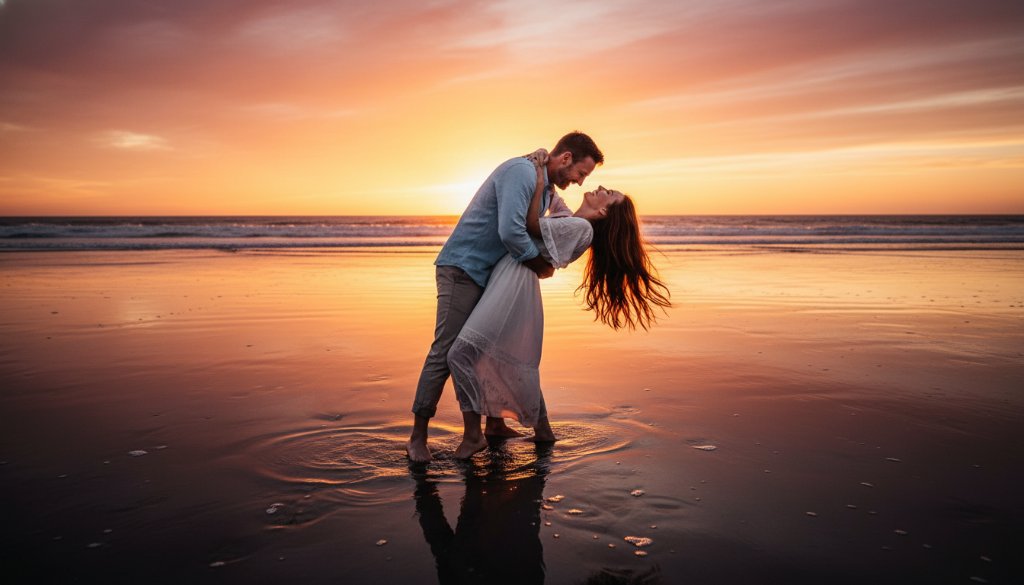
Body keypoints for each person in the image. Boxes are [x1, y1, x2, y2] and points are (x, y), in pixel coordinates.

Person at [447, 151, 671, 458]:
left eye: (608, 194)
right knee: (498, 355)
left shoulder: (581, 229)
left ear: (605, 212)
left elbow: (530, 225)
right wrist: (544, 166)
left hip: (514, 284)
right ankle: (538, 430)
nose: (600, 188)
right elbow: (553, 199)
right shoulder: (573, 221)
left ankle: (474, 436)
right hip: (512, 279)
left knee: (461, 353)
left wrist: (538, 178)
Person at [407, 132, 605, 464]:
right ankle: (417, 437)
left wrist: (593, 224)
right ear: (567, 158)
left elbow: (564, 223)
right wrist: (540, 265)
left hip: (492, 275)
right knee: (445, 352)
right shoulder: (522, 173)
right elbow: (511, 231)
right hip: (464, 268)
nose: (579, 181)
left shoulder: (546, 190)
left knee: (489, 349)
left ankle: (494, 424)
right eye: (580, 174)